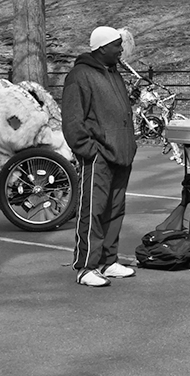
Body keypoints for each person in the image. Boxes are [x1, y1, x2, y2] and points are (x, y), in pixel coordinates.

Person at [62, 26, 138, 287]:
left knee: (115, 210)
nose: (121, 50)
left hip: (121, 153)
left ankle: (108, 260)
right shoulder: (80, 75)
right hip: (98, 155)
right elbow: (73, 119)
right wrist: (89, 149)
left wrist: (129, 144)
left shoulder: (114, 73)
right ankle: (86, 266)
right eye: (117, 45)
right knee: (92, 210)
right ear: (102, 48)